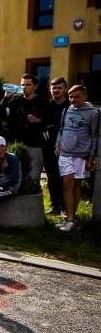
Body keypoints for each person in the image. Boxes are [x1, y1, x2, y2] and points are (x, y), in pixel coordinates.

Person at [54, 85, 99, 232]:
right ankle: (69, 218)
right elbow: (61, 129)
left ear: (85, 97)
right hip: (65, 152)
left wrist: (91, 158)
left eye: (76, 97)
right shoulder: (67, 109)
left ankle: (71, 218)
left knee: (76, 185)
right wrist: (58, 144)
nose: (73, 100)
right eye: (70, 97)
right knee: (67, 184)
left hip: (81, 154)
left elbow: (94, 136)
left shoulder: (93, 113)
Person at [0, 74, 52, 181]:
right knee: (13, 176)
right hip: (16, 143)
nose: (24, 87)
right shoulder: (15, 101)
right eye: (23, 85)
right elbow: (0, 115)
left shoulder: (42, 102)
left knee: (33, 177)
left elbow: (50, 122)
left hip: (35, 144)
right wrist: (6, 98)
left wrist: (39, 121)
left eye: (28, 85)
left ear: (35, 86)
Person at [44, 77, 70, 215]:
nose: (56, 90)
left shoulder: (71, 106)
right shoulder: (45, 106)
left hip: (67, 148)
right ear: (50, 89)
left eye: (59, 88)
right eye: (54, 88)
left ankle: (66, 208)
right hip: (49, 147)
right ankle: (55, 206)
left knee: (65, 179)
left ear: (65, 89)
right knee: (52, 178)